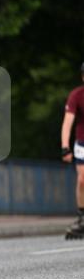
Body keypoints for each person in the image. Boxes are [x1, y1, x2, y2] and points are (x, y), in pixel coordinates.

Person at [60, 60, 84, 239]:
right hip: (82, 143)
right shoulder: (76, 95)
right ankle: (82, 217)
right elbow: (68, 123)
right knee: (82, 180)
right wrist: (65, 147)